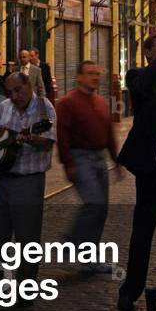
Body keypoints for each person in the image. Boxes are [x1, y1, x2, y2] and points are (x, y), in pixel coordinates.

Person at [116, 32, 156, 311]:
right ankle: (131, 289)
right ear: (149, 52)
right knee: (143, 229)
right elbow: (140, 89)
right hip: (150, 165)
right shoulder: (138, 74)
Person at [0, 72, 56, 289]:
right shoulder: (5, 106)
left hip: (29, 181)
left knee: (27, 238)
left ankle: (25, 288)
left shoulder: (45, 108)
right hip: (3, 178)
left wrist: (31, 138)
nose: (14, 96)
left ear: (29, 86)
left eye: (18, 90)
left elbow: (49, 142)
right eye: (10, 91)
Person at [56, 60, 118, 267]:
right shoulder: (67, 102)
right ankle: (73, 242)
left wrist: (116, 160)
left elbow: (108, 132)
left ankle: (90, 257)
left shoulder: (100, 101)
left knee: (101, 209)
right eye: (91, 73)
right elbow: (62, 134)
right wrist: (68, 163)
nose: (95, 77)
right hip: (80, 158)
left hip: (100, 158)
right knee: (94, 203)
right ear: (80, 77)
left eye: (98, 74)